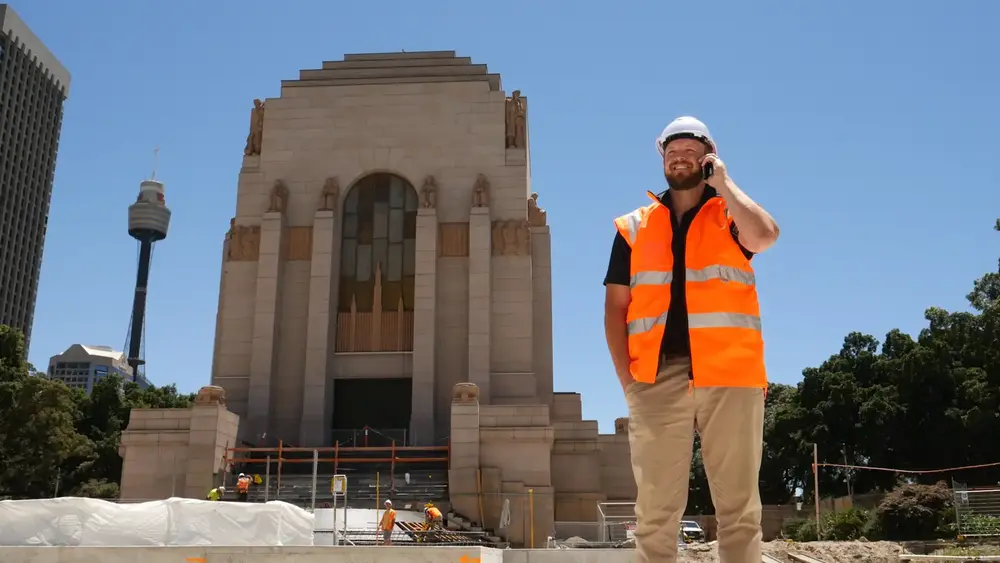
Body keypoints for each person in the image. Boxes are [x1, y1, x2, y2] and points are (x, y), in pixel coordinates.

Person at [604, 116, 779, 563]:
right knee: (655, 511)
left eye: (691, 151)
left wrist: (724, 183)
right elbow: (616, 309)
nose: (680, 157)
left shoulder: (730, 214)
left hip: (731, 375)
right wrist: (629, 383)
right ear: (661, 159)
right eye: (672, 151)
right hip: (656, 377)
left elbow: (766, 236)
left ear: (708, 158)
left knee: (739, 506)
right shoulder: (634, 227)